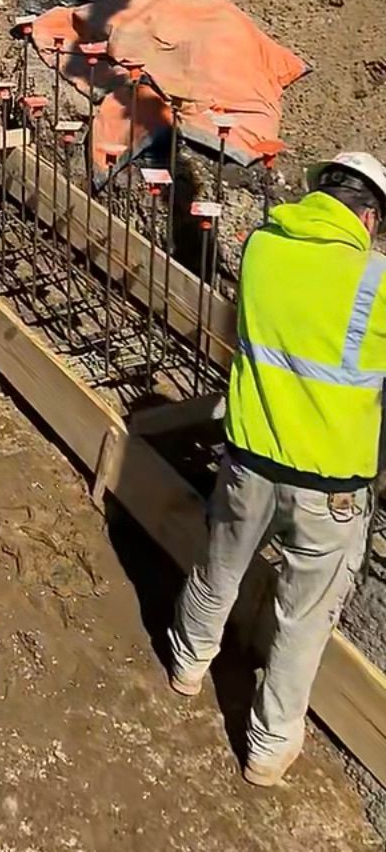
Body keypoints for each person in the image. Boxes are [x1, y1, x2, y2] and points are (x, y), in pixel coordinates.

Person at [168, 151, 386, 787]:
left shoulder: (264, 246)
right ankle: (266, 750)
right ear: (369, 217)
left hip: (250, 462)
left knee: (220, 566)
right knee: (302, 621)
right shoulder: (376, 281)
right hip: (330, 487)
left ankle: (186, 662)